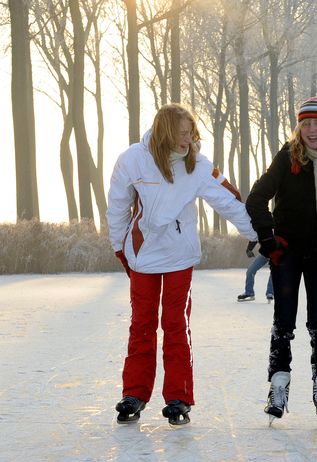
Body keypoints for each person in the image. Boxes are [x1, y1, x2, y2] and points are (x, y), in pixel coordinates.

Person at [106, 103, 257, 425]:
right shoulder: (133, 159)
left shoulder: (198, 166)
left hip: (179, 256)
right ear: (165, 132)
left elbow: (228, 201)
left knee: (175, 324)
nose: (188, 140)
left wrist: (257, 234)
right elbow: (117, 205)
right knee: (142, 324)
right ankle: (133, 393)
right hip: (143, 254)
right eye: (181, 134)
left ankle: (178, 397)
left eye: (191, 133)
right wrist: (119, 246)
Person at [245, 97, 317, 425]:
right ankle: (278, 386)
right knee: (284, 321)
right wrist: (269, 240)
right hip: (288, 252)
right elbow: (256, 199)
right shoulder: (287, 157)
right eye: (305, 124)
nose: (312, 130)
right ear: (298, 127)